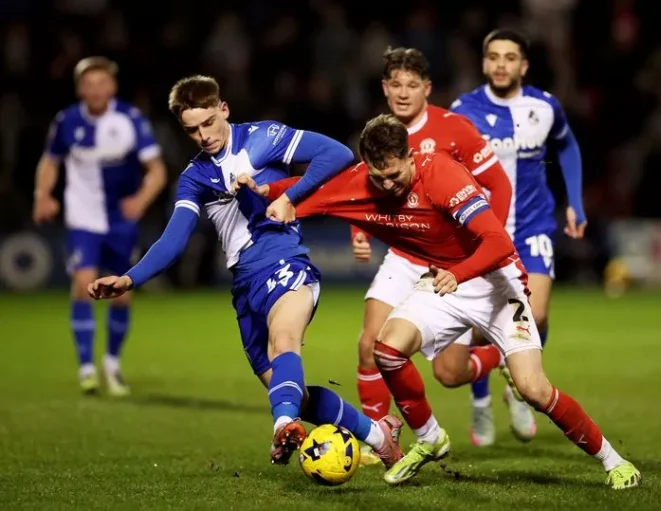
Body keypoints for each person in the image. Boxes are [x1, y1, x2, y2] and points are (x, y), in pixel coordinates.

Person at [242, 114, 640, 489]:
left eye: (396, 174)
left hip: (494, 281)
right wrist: (269, 191)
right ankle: (430, 438)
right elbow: (306, 194)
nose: (389, 185)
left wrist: (459, 273)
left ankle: (613, 460)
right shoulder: (362, 183)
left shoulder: (443, 175)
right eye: (379, 177)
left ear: (411, 157)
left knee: (534, 389)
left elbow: (498, 243)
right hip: (443, 282)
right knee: (386, 349)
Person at [86, 75, 403, 467]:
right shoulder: (194, 178)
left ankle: (282, 426)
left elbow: (336, 154)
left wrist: (288, 196)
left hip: (286, 262)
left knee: (284, 342)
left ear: (224, 110)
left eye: (208, 123)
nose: (203, 136)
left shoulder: (264, 137)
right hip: (245, 286)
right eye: (191, 130)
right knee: (292, 392)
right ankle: (378, 435)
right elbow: (173, 239)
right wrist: (129, 278)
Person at [351, 47, 513, 451]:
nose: (403, 94)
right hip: (406, 256)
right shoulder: (378, 135)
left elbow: (500, 185)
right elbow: (363, 191)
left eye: (411, 85)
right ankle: (379, 441)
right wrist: (361, 230)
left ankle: (501, 357)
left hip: (449, 260)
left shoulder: (453, 129)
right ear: (385, 88)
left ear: (427, 88)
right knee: (369, 344)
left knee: (449, 373)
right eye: (395, 85)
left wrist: (485, 240)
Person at [451, 28, 588, 442]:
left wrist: (575, 202)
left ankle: (515, 380)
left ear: (523, 65)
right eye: (494, 56)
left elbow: (567, 146)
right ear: (484, 62)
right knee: (479, 325)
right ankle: (480, 403)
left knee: (538, 314)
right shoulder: (463, 110)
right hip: (480, 231)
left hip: (531, 228)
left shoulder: (544, 107)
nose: (501, 64)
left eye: (510, 57)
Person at [33, 56, 168, 396]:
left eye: (101, 83)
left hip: (121, 222)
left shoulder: (129, 119)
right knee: (83, 283)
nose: (94, 90)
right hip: (83, 217)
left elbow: (157, 170)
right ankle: (86, 367)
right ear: (80, 88)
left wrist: (141, 200)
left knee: (121, 294)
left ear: (112, 86)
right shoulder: (66, 121)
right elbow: (50, 161)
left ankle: (112, 362)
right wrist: (43, 194)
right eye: (88, 84)